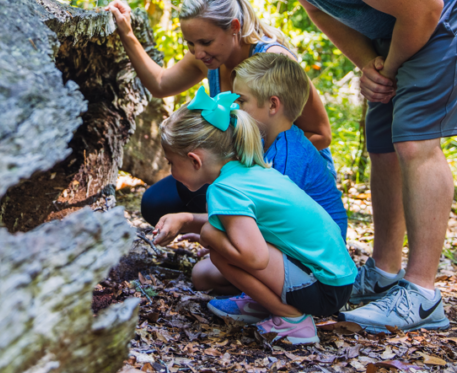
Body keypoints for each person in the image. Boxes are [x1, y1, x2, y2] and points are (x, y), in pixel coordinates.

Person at [187, 0, 457, 333]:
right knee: (383, 139)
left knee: (414, 138)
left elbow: (424, 8)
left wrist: (388, 68)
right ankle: (385, 272)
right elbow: (317, 7)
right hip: (399, 11)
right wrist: (367, 64)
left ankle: (422, 293)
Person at [106, 0, 335, 229]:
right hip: (238, 170)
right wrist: (127, 33)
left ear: (234, 28)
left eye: (205, 41)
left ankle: (236, 240)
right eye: (191, 44)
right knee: (157, 202)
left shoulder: (273, 63)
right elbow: (161, 83)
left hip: (287, 175)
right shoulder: (209, 59)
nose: (198, 52)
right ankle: (221, 234)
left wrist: (252, 165)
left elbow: (321, 135)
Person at [152, 88, 356, 344]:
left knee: (216, 245)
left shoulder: (224, 189)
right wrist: (188, 220)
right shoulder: (249, 173)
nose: (171, 171)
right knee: (219, 236)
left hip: (321, 289)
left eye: (171, 162)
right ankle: (268, 305)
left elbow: (256, 258)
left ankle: (292, 319)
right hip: (335, 281)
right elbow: (245, 226)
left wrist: (209, 237)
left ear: (195, 160)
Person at [234, 53, 347, 239]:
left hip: (318, 253)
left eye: (241, 101)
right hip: (298, 238)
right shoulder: (266, 141)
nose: (235, 107)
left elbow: (273, 215)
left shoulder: (290, 156)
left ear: (272, 105)